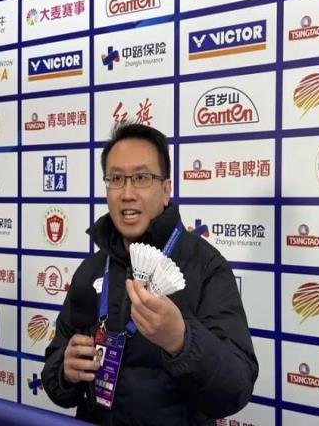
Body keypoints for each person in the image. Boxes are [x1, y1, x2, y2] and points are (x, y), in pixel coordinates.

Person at [41, 123, 258, 425]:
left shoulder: (206, 266)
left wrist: (181, 341)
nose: (127, 193)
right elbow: (56, 381)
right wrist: (65, 372)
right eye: (116, 179)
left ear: (166, 190)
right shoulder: (91, 270)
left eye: (141, 178)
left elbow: (235, 389)